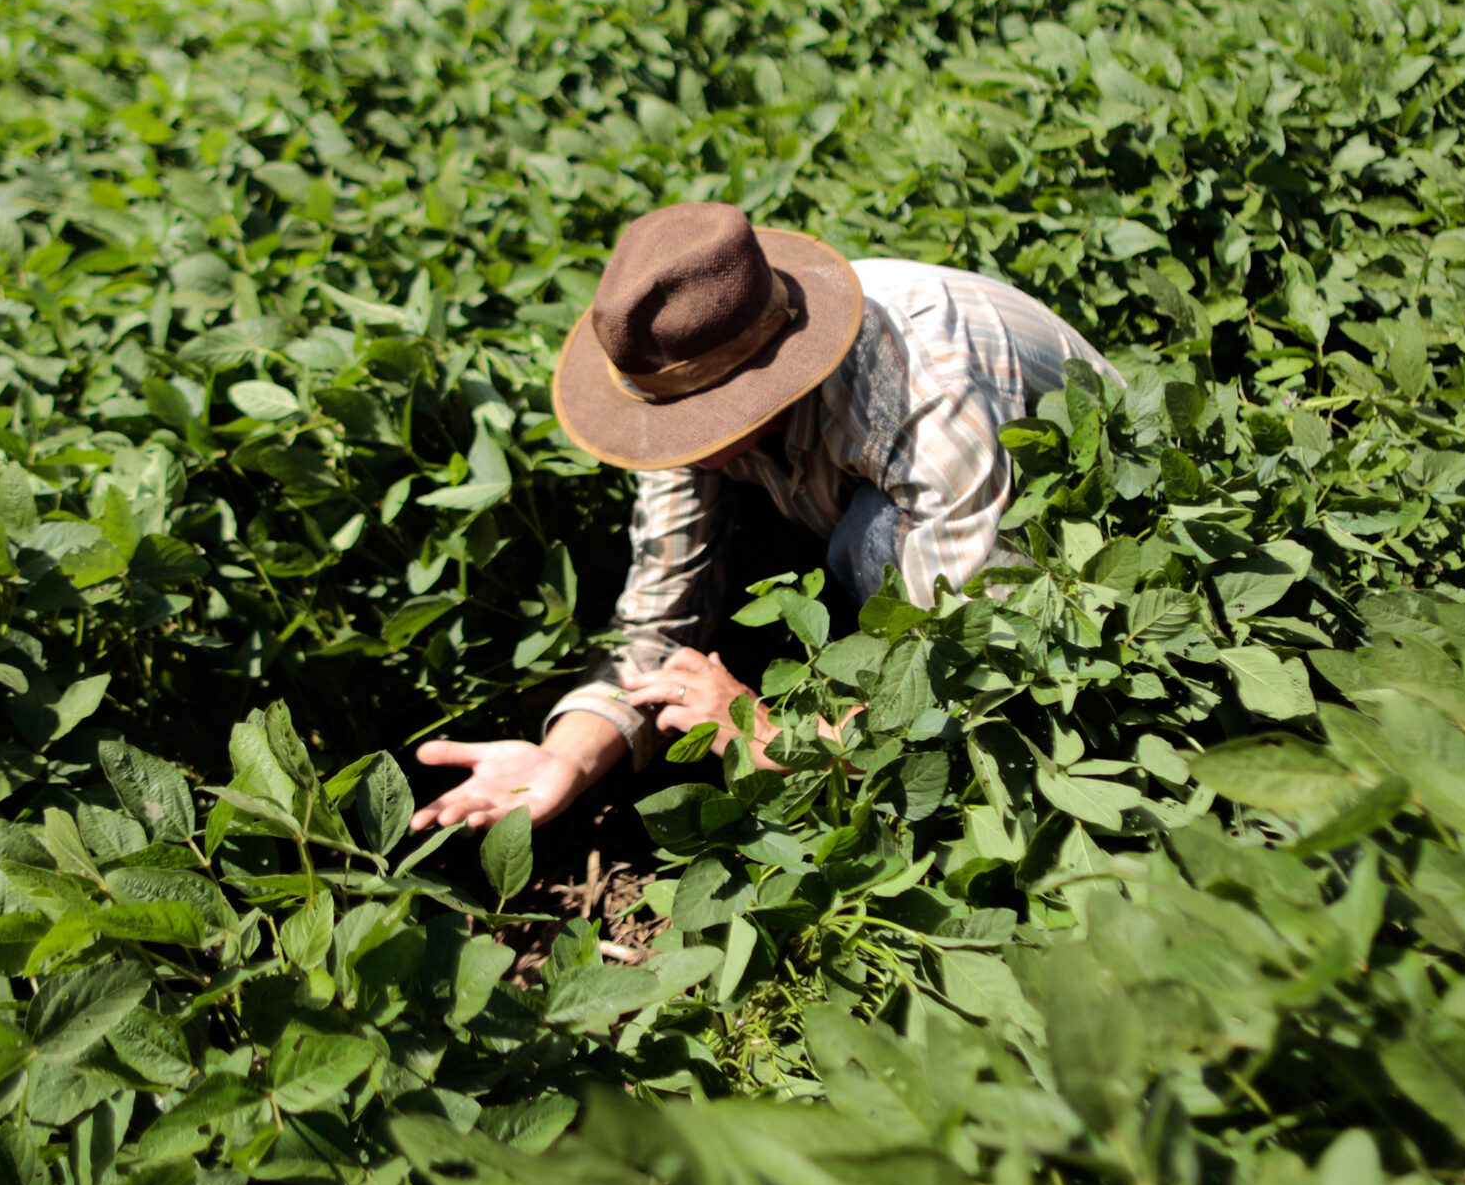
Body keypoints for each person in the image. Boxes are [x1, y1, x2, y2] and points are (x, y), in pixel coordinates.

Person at [413, 201, 1113, 831]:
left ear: (765, 375)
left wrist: (773, 735)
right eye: (670, 419)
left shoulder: (929, 403)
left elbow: (984, 674)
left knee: (870, 542)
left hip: (1082, 524)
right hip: (905, 499)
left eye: (703, 418)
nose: (683, 441)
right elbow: (663, 605)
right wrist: (563, 752)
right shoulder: (688, 363)